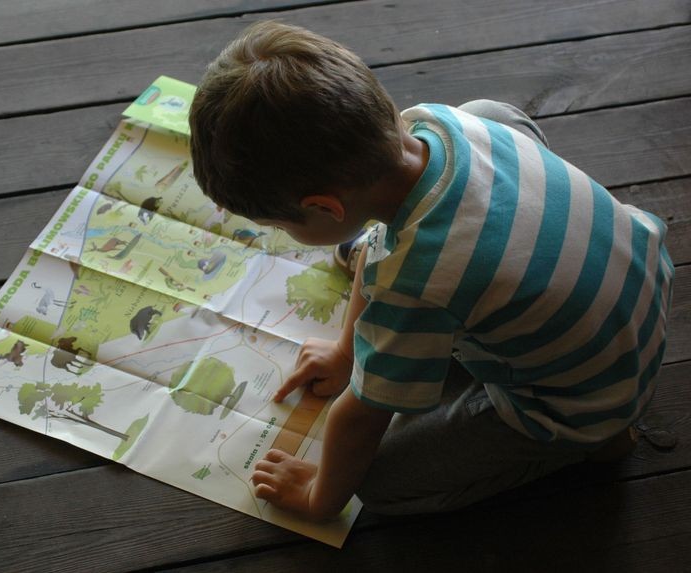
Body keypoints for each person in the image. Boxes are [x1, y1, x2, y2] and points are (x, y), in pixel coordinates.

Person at [188, 21, 674, 519]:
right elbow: (384, 251)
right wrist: (345, 353)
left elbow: (363, 415)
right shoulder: (442, 122)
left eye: (280, 225)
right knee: (491, 116)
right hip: (638, 295)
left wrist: (320, 497)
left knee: (379, 484)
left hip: (584, 399)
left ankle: (592, 442)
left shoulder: (415, 283)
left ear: (326, 208)